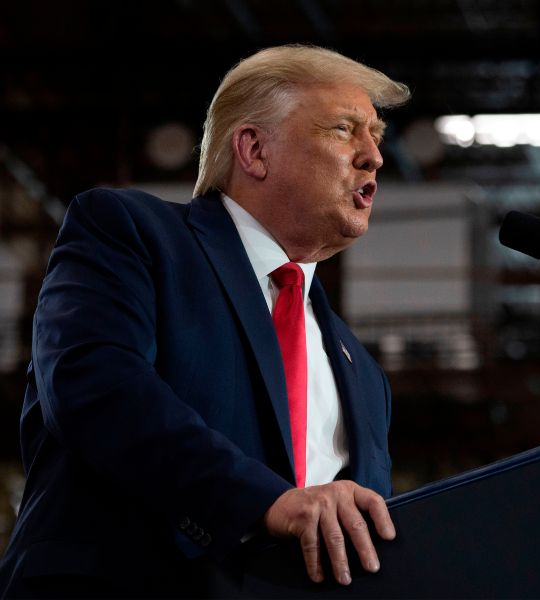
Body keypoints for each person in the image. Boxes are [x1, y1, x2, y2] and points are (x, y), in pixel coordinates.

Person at [0, 44, 410, 597]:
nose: (373, 157)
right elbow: (94, 386)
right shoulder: (131, 234)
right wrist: (264, 501)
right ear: (254, 150)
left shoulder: (363, 373)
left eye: (376, 137)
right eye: (344, 129)